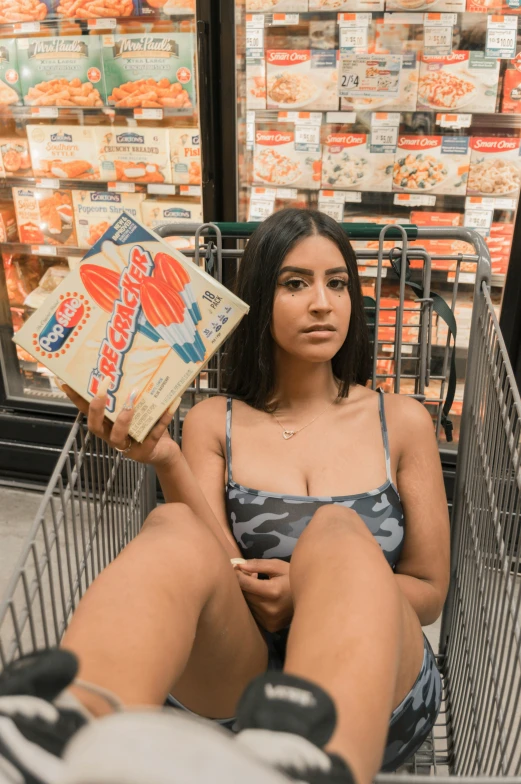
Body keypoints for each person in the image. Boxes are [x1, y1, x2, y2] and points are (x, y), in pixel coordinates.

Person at [0, 208, 449, 784]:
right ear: (260, 300)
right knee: (172, 530)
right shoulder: (216, 420)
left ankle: (308, 757)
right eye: (294, 283)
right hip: (241, 673)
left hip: (372, 684)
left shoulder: (402, 421)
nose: (322, 303)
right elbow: (218, 565)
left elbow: (430, 591)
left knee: (338, 532)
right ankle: (66, 729)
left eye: (337, 283)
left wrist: (310, 591)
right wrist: (167, 459)